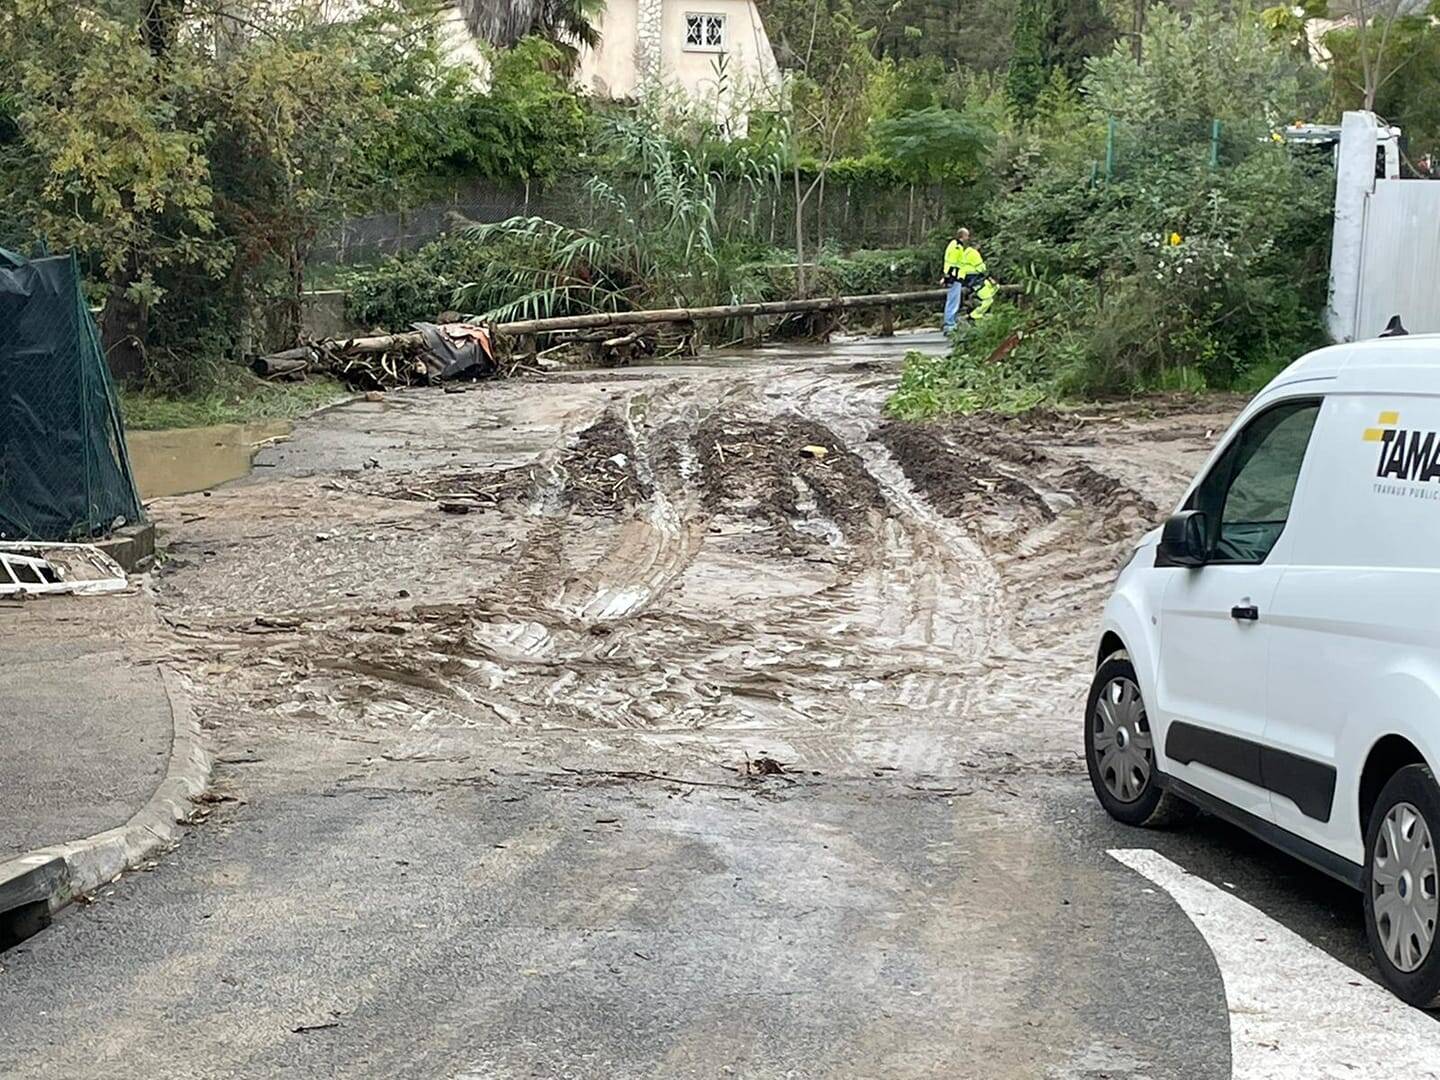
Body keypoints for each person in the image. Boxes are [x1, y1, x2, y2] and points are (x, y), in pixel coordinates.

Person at [942, 228, 987, 333]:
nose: (968, 238)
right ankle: (950, 325)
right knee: (953, 301)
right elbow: (953, 262)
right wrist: (949, 276)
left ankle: (951, 323)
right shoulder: (957, 246)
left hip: (955, 276)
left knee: (954, 300)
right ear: (962, 236)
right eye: (967, 235)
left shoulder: (957, 245)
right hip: (954, 276)